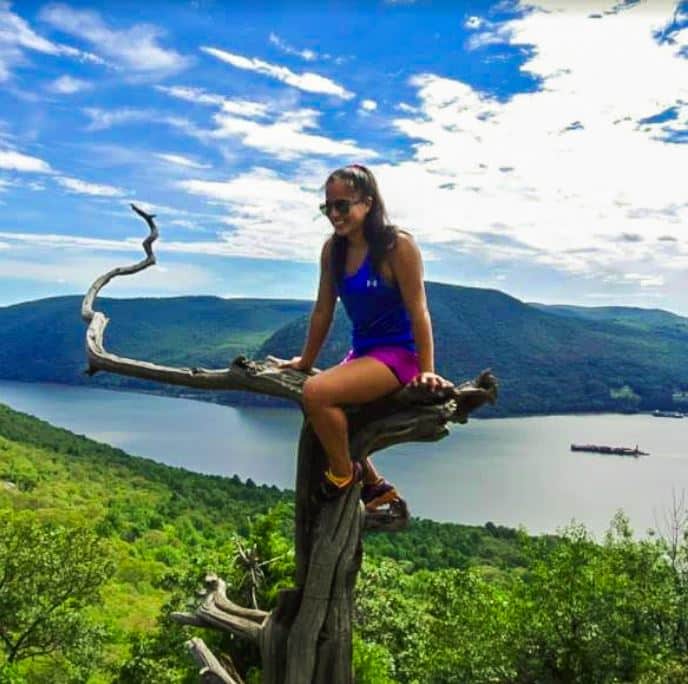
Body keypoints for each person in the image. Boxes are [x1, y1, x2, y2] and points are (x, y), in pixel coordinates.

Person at [280, 164, 451, 510]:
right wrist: (305, 362)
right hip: (363, 353)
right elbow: (322, 311)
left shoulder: (396, 246)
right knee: (315, 400)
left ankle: (345, 476)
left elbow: (419, 311)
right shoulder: (333, 251)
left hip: (399, 356)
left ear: (368, 203)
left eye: (343, 205)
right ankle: (374, 485)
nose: (334, 214)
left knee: (317, 393)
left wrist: (427, 369)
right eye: (328, 206)